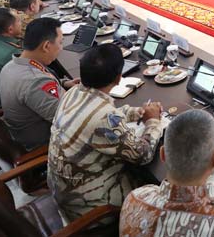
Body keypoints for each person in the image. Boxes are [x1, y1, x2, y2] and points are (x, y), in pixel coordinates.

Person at [48, 44, 165, 222]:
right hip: (91, 207)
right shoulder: (104, 118)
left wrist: (137, 112)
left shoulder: (73, 92)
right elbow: (143, 154)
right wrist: (153, 122)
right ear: (118, 78)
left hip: (66, 191)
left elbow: (103, 113)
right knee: (163, 186)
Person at [0, 18, 77, 150]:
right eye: (60, 42)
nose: (61, 48)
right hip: (46, 142)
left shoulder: (12, 65)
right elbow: (70, 121)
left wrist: (64, 83)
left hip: (25, 131)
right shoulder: (35, 82)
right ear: (46, 46)